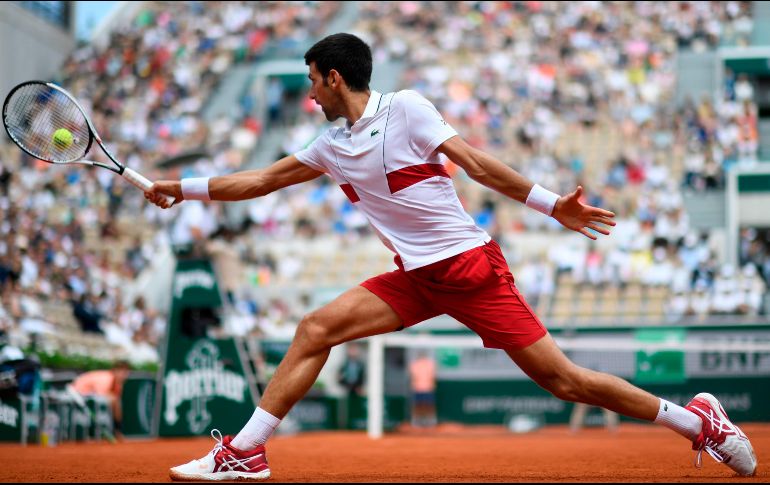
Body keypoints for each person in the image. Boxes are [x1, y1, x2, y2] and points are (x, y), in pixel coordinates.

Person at [146, 33, 757, 481]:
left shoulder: (408, 108)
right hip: (415, 278)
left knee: (563, 381)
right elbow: (257, 182)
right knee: (316, 329)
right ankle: (247, 453)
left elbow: (478, 164)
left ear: (334, 77)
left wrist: (551, 206)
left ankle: (699, 420)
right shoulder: (330, 144)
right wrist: (183, 187)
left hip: (470, 269)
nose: (308, 95)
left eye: (311, 81)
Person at [408, 349, 436, 428]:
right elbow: (413, 376)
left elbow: (432, 376)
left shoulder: (430, 364)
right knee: (418, 405)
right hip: (417, 388)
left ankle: (430, 421)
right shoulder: (414, 364)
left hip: (428, 388)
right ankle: (417, 420)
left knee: (429, 405)